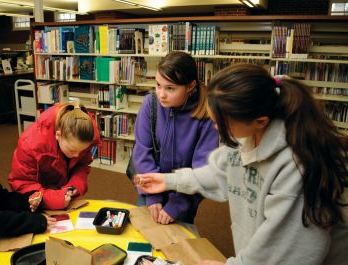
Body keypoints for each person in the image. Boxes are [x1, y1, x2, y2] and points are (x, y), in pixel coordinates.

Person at [136, 63, 348, 265]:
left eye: (221, 123)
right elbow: (221, 173)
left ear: (260, 122)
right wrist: (169, 180)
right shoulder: (247, 134)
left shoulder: (299, 169)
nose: (216, 128)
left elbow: (284, 252)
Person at [132, 51, 219, 224]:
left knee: (177, 241)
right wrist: (152, 196)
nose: (161, 94)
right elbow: (142, 151)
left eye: (170, 88)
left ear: (190, 86)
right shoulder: (151, 103)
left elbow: (202, 170)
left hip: (185, 194)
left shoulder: (207, 114)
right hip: (150, 186)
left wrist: (177, 205)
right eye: (158, 85)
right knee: (144, 233)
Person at [9, 103, 100, 210]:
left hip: (65, 196)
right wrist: (55, 199)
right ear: (58, 135)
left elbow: (82, 166)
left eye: (81, 151)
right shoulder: (30, 144)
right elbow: (22, 184)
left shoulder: (84, 133)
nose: (77, 155)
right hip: (37, 203)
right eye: (72, 150)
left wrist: (74, 186)